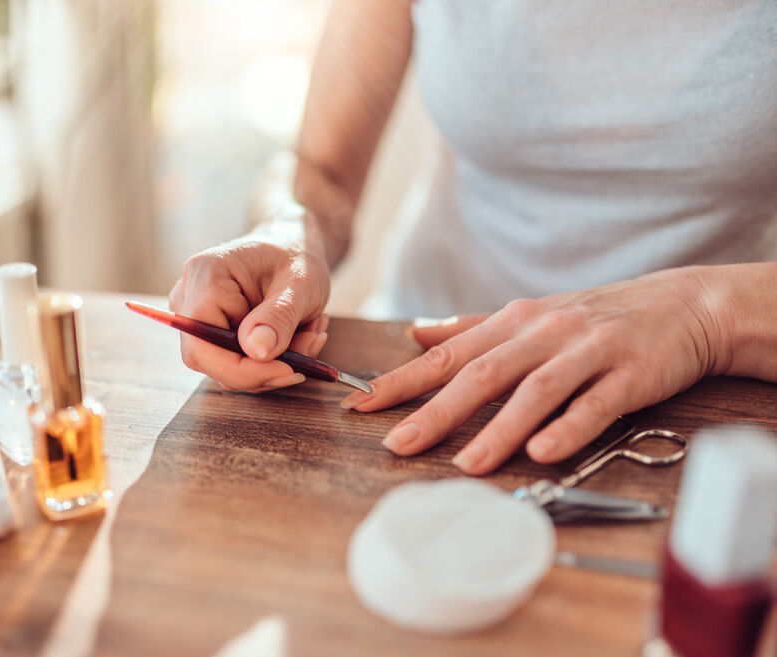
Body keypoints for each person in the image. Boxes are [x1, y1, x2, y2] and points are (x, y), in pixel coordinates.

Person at [167, 0, 777, 475]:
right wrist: (287, 227)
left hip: (709, 404)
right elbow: (321, 171)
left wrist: (703, 317)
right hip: (416, 359)